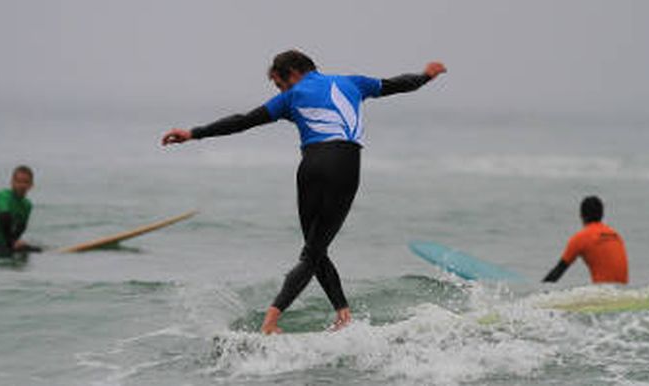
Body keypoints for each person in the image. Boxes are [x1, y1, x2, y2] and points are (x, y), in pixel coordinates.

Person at [161, 50, 446, 333]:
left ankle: (342, 315)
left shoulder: (291, 97)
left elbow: (243, 120)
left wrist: (193, 133)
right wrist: (426, 76)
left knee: (313, 248)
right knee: (313, 251)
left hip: (309, 167)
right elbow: (399, 84)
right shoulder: (353, 83)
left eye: (279, 84)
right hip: (343, 164)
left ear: (293, 73)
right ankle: (271, 321)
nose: (281, 90)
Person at [543, 196, 628, 284]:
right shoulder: (615, 235)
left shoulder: (581, 238)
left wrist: (537, 293)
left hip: (602, 293)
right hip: (622, 292)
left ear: (581, 215)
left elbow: (557, 272)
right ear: (602, 215)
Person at [0, 165, 42, 255]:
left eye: (26, 182)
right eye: (18, 181)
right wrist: (12, 242)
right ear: (12, 182)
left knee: (36, 251)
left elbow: (21, 228)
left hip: (5, 246)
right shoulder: (2, 196)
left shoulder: (27, 205)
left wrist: (16, 242)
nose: (22, 185)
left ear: (31, 185)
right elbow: (5, 217)